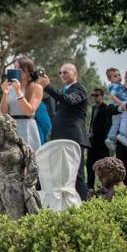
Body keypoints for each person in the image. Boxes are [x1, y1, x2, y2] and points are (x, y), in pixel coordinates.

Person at [38, 63, 90, 200]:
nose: (62, 75)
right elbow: (53, 114)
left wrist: (48, 87)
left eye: (66, 72)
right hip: (59, 137)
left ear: (75, 73)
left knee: (76, 175)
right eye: (60, 73)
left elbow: (69, 101)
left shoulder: (79, 89)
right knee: (62, 175)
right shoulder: (62, 91)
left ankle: (85, 205)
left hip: (74, 137)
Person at [0, 56, 45, 151]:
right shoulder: (10, 88)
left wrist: (18, 92)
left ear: (29, 72)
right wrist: (5, 93)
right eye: (15, 68)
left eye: (20, 69)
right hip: (11, 127)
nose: (16, 71)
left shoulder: (36, 87)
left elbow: (29, 111)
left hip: (27, 127)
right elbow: (4, 112)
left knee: (28, 160)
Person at [86, 88, 114, 191]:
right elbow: (92, 124)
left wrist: (94, 133)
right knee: (89, 164)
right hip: (92, 141)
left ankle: (105, 186)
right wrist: (90, 134)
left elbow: (106, 125)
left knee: (103, 165)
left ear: (102, 96)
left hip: (102, 142)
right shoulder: (94, 108)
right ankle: (90, 186)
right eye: (92, 95)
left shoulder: (106, 108)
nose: (94, 97)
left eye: (97, 95)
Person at [104, 68, 127, 150]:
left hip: (117, 107)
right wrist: (121, 104)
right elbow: (112, 96)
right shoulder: (116, 86)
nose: (118, 77)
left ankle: (110, 138)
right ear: (109, 79)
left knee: (115, 124)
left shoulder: (119, 86)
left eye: (119, 75)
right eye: (115, 76)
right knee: (125, 118)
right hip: (121, 105)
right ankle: (123, 134)